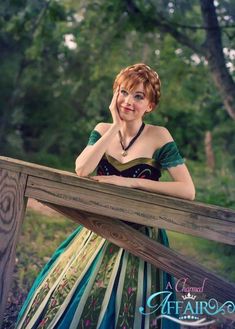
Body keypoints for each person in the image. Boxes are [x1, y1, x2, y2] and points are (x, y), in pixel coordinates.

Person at [16, 63, 195, 329]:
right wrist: (114, 125)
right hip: (97, 230)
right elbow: (82, 169)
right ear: (115, 95)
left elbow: (187, 190)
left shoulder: (159, 136)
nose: (128, 101)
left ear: (150, 105)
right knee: (72, 293)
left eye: (138, 96)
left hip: (143, 237)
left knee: (134, 305)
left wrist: (130, 183)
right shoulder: (102, 130)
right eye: (123, 92)